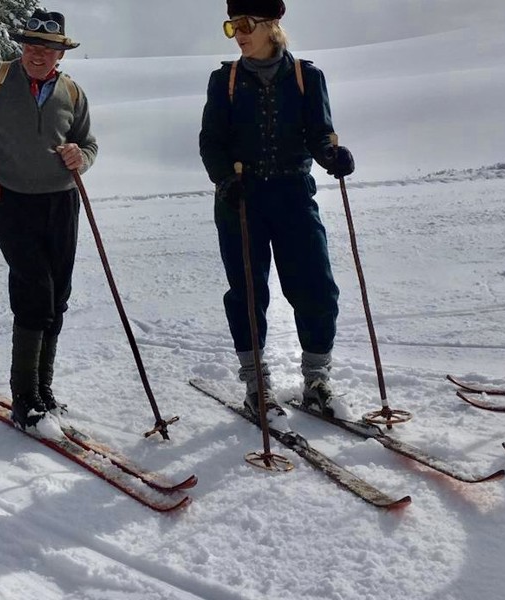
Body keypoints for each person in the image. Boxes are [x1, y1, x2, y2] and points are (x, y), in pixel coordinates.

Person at [199, 0, 355, 428]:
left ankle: (317, 380)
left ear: (271, 26)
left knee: (316, 287)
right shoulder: (225, 80)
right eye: (232, 27)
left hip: (292, 193)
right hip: (240, 198)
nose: (239, 34)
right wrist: (224, 179)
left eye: (246, 25)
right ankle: (256, 384)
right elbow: (211, 140)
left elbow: (319, 131)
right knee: (248, 291)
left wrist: (330, 154)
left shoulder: (307, 76)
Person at [0, 8, 98, 430]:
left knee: (58, 296)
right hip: (12, 200)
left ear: (60, 54)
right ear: (21, 46)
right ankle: (24, 399)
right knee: (33, 288)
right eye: (32, 45)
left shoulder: (71, 91)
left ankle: (43, 390)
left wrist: (80, 157)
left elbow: (87, 142)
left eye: (48, 48)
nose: (38, 53)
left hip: (62, 202)